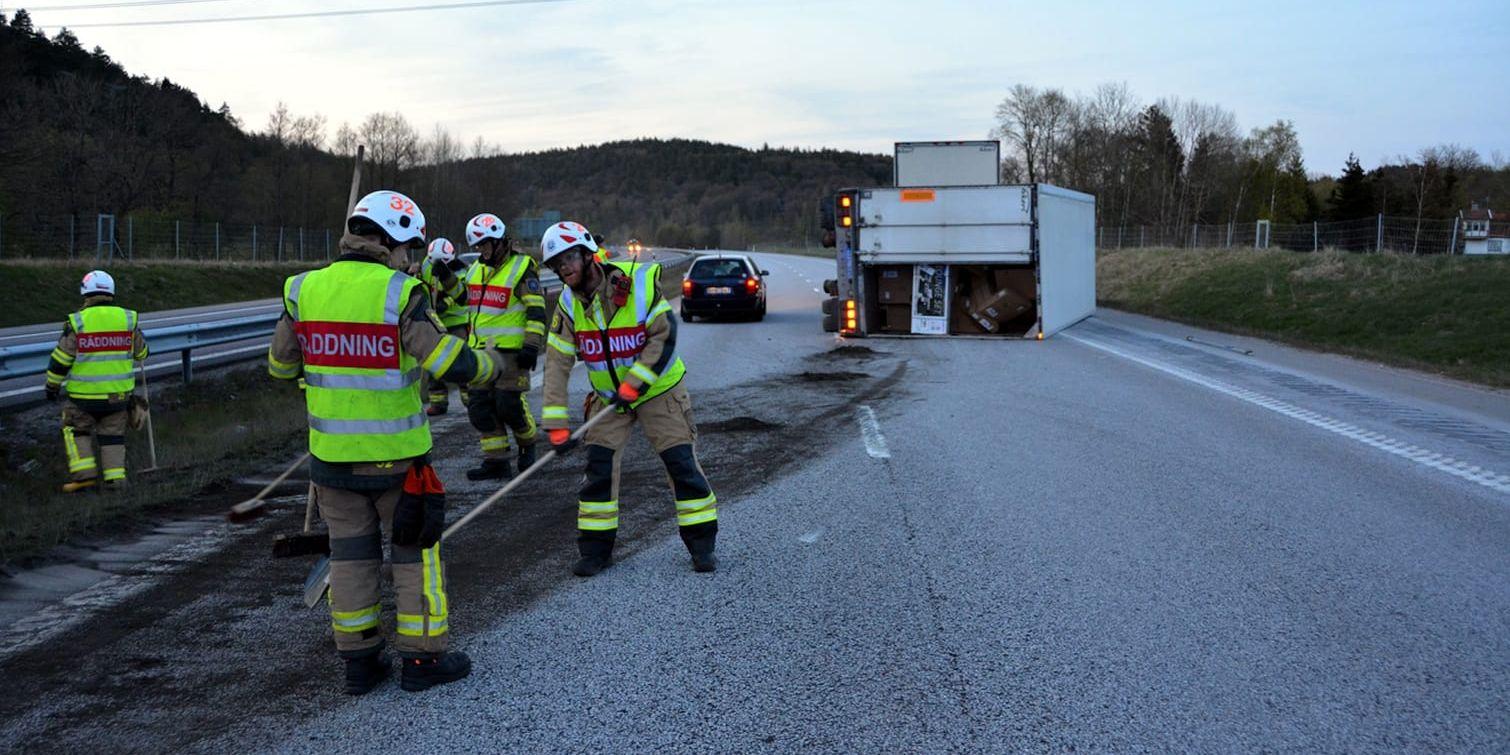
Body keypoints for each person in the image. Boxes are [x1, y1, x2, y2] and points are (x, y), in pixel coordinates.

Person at [268, 190, 502, 695]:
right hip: (398, 463)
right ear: (389, 240)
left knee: (350, 559)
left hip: (331, 463)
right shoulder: (401, 293)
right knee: (416, 555)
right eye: (407, 247)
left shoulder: (303, 289)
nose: (408, 258)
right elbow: (445, 361)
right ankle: (421, 659)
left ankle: (360, 663)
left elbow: (281, 366)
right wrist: (490, 365)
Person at [538, 221, 718, 576]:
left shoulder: (639, 284)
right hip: (608, 399)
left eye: (569, 258)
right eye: (557, 265)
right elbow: (557, 364)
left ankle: (702, 545)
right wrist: (555, 424)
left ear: (588, 255)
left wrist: (634, 384)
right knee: (598, 471)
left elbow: (663, 336)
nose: (564, 268)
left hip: (659, 390)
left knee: (681, 465)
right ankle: (595, 551)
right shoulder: (567, 305)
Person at [44, 270, 149, 492]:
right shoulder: (128, 319)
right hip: (118, 397)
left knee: (75, 430)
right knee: (112, 437)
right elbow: (142, 353)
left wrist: (52, 386)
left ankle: (85, 477)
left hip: (82, 398)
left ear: (85, 293)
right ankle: (115, 482)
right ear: (111, 292)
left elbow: (60, 361)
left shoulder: (78, 321)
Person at [461, 212, 546, 481]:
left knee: (508, 405)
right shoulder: (475, 269)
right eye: (478, 246)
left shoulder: (522, 269)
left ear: (499, 241)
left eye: (485, 245)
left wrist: (531, 346)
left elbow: (537, 311)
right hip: (479, 352)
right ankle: (496, 461)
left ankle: (527, 443)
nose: (482, 251)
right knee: (479, 408)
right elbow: (462, 299)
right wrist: (445, 277)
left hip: (511, 353)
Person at [416, 237, 469, 415]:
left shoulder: (460, 270)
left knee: (461, 361)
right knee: (434, 361)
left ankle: (470, 401)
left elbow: (461, 294)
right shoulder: (426, 265)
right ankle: (438, 402)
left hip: (456, 322)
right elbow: (423, 283)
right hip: (435, 322)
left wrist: (445, 303)